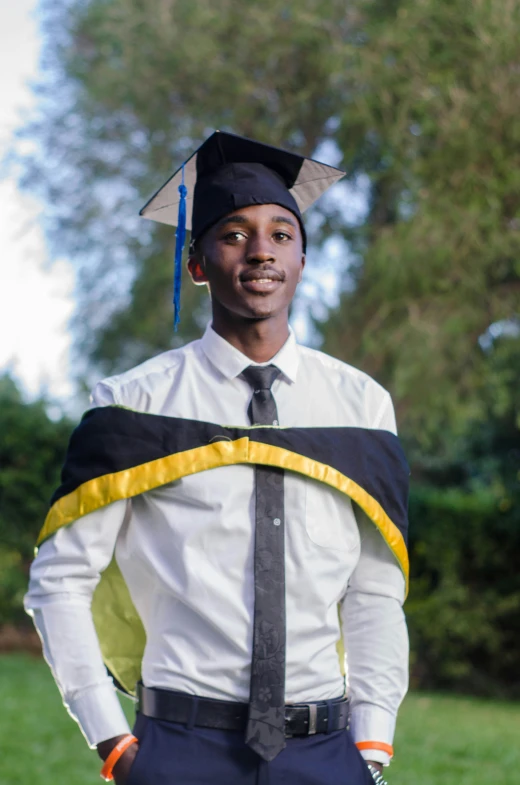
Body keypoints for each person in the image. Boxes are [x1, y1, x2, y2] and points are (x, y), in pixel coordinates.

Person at [25, 131, 410, 785]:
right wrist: (113, 741)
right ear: (198, 263)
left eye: (280, 234)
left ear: (302, 259)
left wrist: (370, 746)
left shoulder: (361, 406)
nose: (261, 250)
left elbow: (373, 590)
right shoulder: (132, 404)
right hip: (179, 749)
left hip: (326, 752)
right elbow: (59, 580)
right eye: (233, 233)